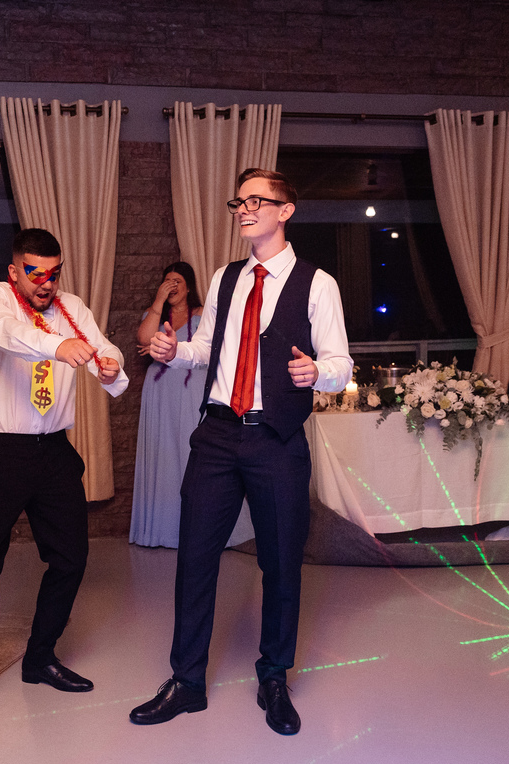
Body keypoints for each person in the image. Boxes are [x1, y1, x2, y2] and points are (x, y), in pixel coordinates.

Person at [130, 169, 351, 735]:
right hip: (217, 435)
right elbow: (206, 348)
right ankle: (187, 682)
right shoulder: (225, 277)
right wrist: (173, 351)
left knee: (280, 563)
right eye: (239, 201)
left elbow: (341, 363)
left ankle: (274, 677)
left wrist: (317, 372)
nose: (245, 209)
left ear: (286, 210)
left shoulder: (317, 283)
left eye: (258, 200)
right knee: (194, 558)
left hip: (275, 439)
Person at [0, 227, 128, 730]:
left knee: (71, 559)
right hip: (4, 453)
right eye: (35, 274)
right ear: (14, 271)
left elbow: (105, 349)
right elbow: (6, 333)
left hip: (55, 452)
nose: (46, 284)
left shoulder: (72, 307)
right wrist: (57, 346)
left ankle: (40, 657)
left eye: (53, 274)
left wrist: (110, 368)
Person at [129, 263, 252, 548]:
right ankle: (163, 530)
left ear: (188, 287)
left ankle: (204, 528)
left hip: (192, 389)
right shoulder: (155, 315)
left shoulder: (201, 315)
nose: (172, 285)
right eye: (167, 280)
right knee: (163, 451)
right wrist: (158, 301)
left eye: (177, 281)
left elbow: (213, 349)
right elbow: (144, 339)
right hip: (160, 391)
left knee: (191, 451)